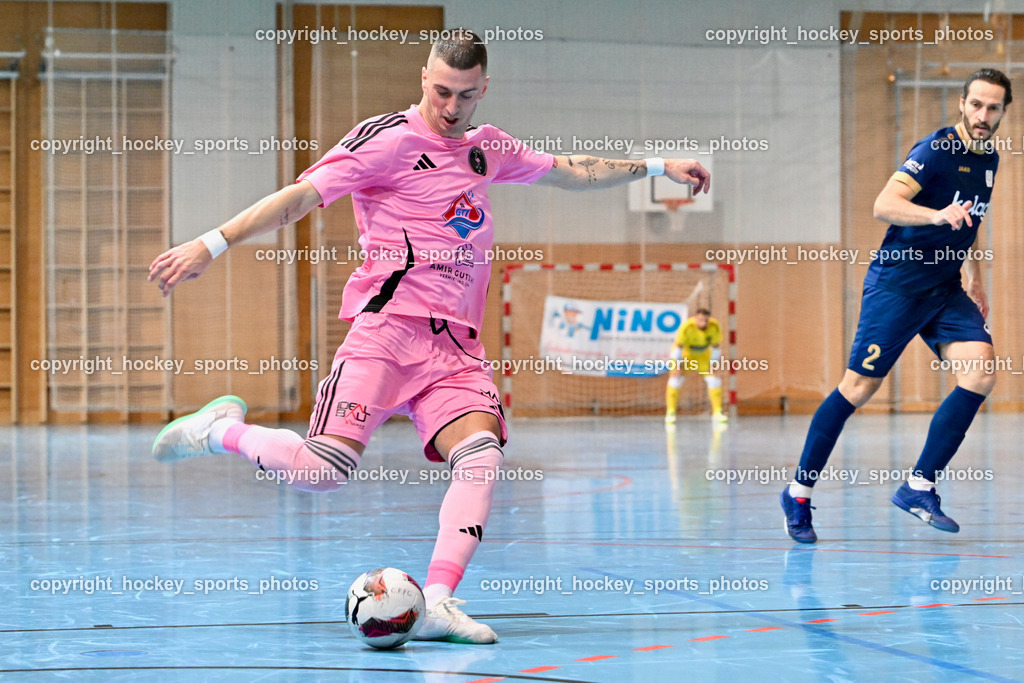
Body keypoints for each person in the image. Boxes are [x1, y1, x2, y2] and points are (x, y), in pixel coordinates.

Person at [148, 29, 710, 642]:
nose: (451, 107)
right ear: (424, 79)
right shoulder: (385, 140)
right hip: (386, 333)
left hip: (456, 348)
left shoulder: (487, 148)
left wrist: (658, 166)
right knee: (323, 471)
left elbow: (571, 171)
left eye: (465, 96)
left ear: (483, 90)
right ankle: (220, 429)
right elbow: (299, 198)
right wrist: (212, 243)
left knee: (483, 455)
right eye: (441, 91)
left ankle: (439, 602)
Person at [781, 68, 1010, 544]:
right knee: (858, 389)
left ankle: (918, 485)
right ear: (962, 104)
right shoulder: (935, 151)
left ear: (1004, 111)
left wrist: (974, 276)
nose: (983, 116)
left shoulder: (991, 159)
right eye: (976, 105)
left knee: (982, 371)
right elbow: (884, 204)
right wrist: (935, 214)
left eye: (993, 108)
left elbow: (969, 223)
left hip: (945, 288)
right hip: (898, 286)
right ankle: (798, 492)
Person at [665, 308, 728, 424]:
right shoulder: (687, 327)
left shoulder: (714, 327)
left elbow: (715, 347)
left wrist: (713, 364)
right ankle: (671, 412)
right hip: (685, 355)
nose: (703, 323)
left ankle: (718, 412)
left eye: (705, 320)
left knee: (714, 380)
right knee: (675, 379)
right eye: (700, 320)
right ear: (695, 319)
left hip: (703, 356)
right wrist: (678, 366)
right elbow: (678, 347)